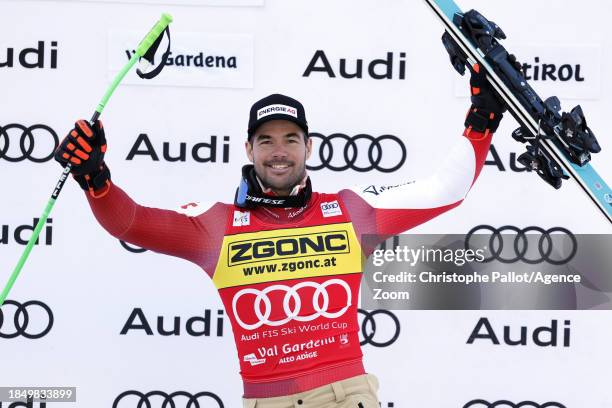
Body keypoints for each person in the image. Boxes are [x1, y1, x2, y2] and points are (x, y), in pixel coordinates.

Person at [54, 64, 505, 408]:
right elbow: (129, 222)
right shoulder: (216, 226)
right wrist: (96, 178)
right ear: (249, 149)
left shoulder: (350, 211)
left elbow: (447, 189)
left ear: (308, 147)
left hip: (346, 394)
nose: (279, 151)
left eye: (291, 138)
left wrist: (482, 118)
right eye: (266, 140)